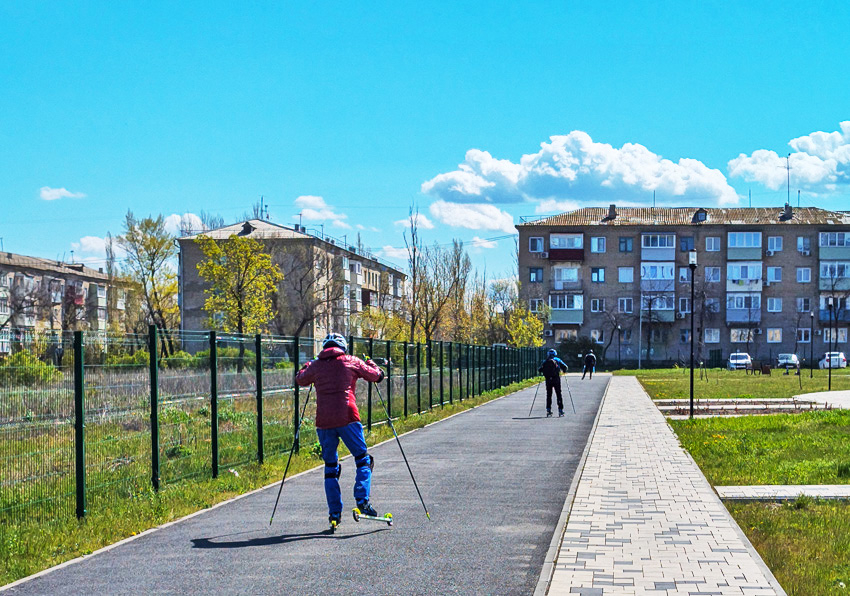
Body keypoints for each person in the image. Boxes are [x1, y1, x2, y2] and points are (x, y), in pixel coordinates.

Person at [295, 333, 384, 527]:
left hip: (324, 420)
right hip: (348, 417)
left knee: (330, 467)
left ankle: (334, 513)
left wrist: (307, 366)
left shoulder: (316, 365)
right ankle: (362, 500)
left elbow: (300, 379)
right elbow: (376, 376)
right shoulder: (351, 360)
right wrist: (374, 364)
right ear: (342, 347)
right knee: (363, 459)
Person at [538, 349, 568, 417]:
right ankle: (560, 410)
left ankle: (548, 410)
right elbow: (565, 367)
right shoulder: (557, 360)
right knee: (558, 394)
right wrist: (563, 371)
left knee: (549, 395)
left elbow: (540, 369)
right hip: (556, 379)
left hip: (548, 380)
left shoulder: (545, 361)